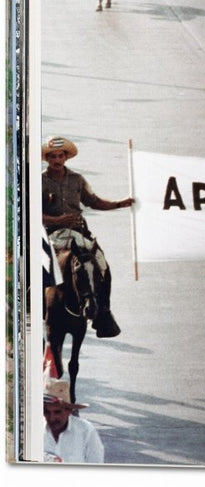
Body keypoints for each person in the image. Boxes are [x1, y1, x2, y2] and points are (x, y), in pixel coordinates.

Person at [42, 136, 133, 337]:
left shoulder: (77, 180)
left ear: (66, 157)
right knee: (38, 264)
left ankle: (104, 313)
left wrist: (120, 203)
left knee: (102, 263)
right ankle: (35, 301)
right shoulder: (39, 181)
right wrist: (58, 220)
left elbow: (94, 201)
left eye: (60, 156)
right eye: (53, 157)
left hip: (78, 231)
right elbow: (32, 213)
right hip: (50, 234)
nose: (57, 160)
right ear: (47, 159)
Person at [43, 376, 105, 463]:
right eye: (46, 412)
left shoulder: (86, 431)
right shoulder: (34, 431)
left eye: (57, 412)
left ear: (69, 411)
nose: (51, 418)